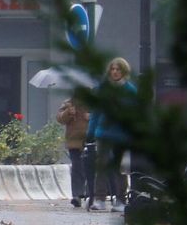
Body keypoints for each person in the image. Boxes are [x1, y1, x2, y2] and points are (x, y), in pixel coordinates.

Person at [87, 57, 138, 210]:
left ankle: (121, 200)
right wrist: (91, 131)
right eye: (113, 69)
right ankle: (100, 199)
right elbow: (96, 111)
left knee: (120, 168)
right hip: (103, 132)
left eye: (118, 69)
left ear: (124, 72)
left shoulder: (130, 90)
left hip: (121, 134)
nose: (115, 72)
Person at [56, 95, 91, 208]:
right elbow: (60, 118)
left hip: (90, 140)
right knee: (77, 167)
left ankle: (91, 194)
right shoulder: (68, 103)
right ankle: (77, 195)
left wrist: (91, 116)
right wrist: (68, 112)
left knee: (90, 168)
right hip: (74, 142)